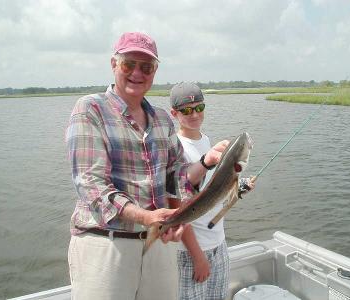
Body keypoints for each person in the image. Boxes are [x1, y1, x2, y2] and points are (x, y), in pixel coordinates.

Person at [65, 32, 229, 300]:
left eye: (147, 67)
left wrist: (206, 164)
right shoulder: (90, 109)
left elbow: (176, 178)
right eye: (129, 64)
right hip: (106, 243)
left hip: (159, 245)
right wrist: (145, 216)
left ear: (155, 71)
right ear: (113, 64)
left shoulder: (163, 120)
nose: (137, 73)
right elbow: (90, 183)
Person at [169, 82, 255, 300]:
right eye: (187, 110)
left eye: (199, 107)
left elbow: (212, 190)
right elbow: (179, 207)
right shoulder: (177, 147)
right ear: (174, 113)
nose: (194, 114)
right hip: (192, 252)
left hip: (219, 243)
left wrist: (238, 188)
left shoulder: (207, 141)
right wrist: (198, 258)